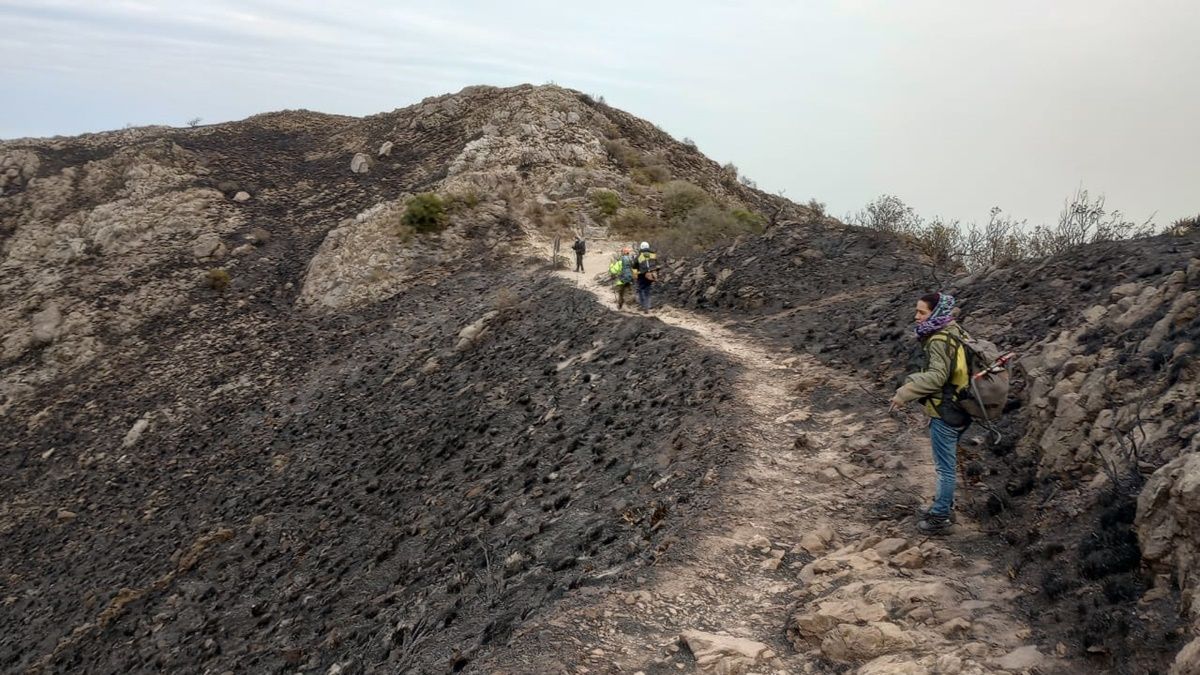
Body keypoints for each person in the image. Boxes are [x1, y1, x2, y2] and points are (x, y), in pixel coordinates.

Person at [889, 292, 971, 534]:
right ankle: (944, 506)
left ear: (935, 313)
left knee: (945, 467)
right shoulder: (955, 331)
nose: (916, 316)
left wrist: (904, 392)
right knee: (948, 464)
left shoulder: (938, 340)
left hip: (946, 411)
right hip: (961, 406)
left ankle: (940, 517)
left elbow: (937, 378)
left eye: (922, 312)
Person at [633, 241, 658, 311]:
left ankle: (643, 305)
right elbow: (656, 264)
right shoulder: (653, 255)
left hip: (641, 275)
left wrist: (635, 276)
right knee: (648, 290)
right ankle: (648, 305)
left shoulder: (639, 256)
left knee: (641, 289)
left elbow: (634, 266)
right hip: (650, 275)